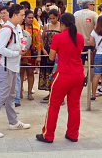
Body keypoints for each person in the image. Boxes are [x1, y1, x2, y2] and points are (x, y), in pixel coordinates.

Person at [0, 4, 31, 138]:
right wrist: (17, 53)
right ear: (14, 15)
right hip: (5, 68)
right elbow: (0, 49)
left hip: (13, 67)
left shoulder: (16, 28)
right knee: (3, 96)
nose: (23, 17)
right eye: (22, 15)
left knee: (10, 96)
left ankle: (13, 122)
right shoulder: (7, 30)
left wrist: (19, 51)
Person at [36, 13, 84, 144]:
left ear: (62, 24)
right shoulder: (79, 37)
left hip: (62, 75)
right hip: (78, 75)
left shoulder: (58, 37)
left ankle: (48, 135)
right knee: (74, 106)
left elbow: (51, 58)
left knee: (54, 106)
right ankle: (73, 134)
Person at [38, 9, 60, 101]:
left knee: (55, 72)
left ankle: (56, 93)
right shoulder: (46, 26)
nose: (52, 20)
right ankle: (50, 92)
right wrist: (42, 49)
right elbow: (42, 39)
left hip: (57, 52)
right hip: (47, 51)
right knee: (47, 72)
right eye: (50, 18)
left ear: (58, 17)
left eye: (54, 18)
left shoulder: (60, 26)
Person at [20, 10, 42, 101]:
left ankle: (29, 92)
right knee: (20, 73)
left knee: (30, 73)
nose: (31, 19)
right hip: (20, 54)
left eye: (32, 18)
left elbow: (39, 43)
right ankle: (20, 91)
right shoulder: (20, 28)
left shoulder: (37, 29)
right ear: (24, 18)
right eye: (29, 17)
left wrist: (39, 56)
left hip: (31, 54)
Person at [73, 0, 98, 66]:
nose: (93, 7)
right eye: (93, 5)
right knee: (91, 64)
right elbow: (99, 26)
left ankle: (79, 76)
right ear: (89, 5)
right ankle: (89, 76)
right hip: (90, 43)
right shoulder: (93, 14)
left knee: (79, 63)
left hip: (78, 43)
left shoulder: (75, 14)